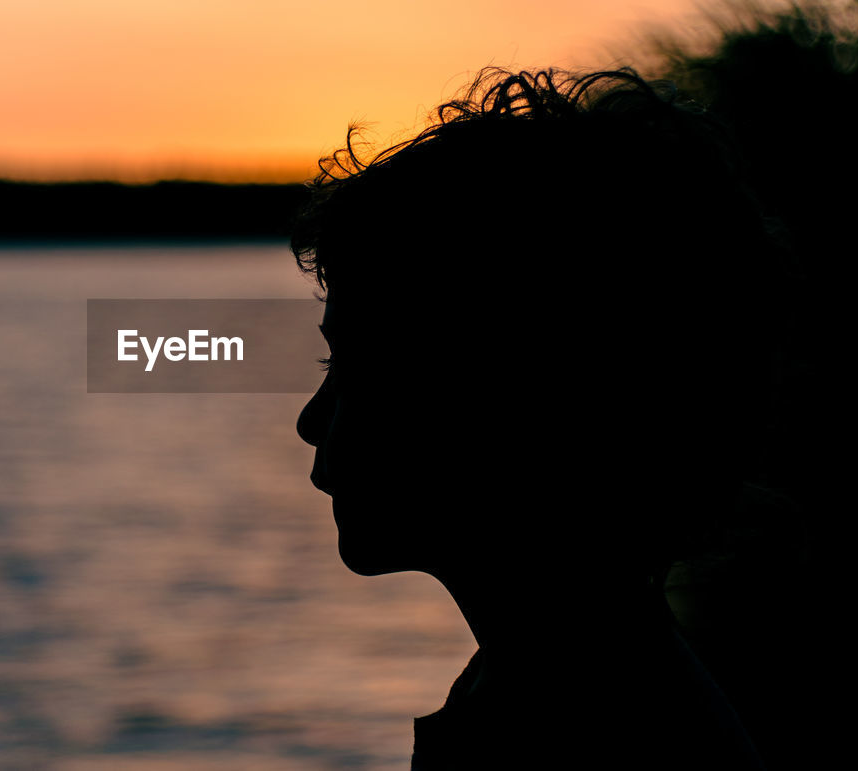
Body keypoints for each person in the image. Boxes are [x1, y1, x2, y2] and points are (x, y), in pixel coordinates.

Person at [292, 68, 794, 769]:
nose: (310, 422)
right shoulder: (569, 680)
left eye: (358, 369)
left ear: (507, 402)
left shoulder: (581, 733)